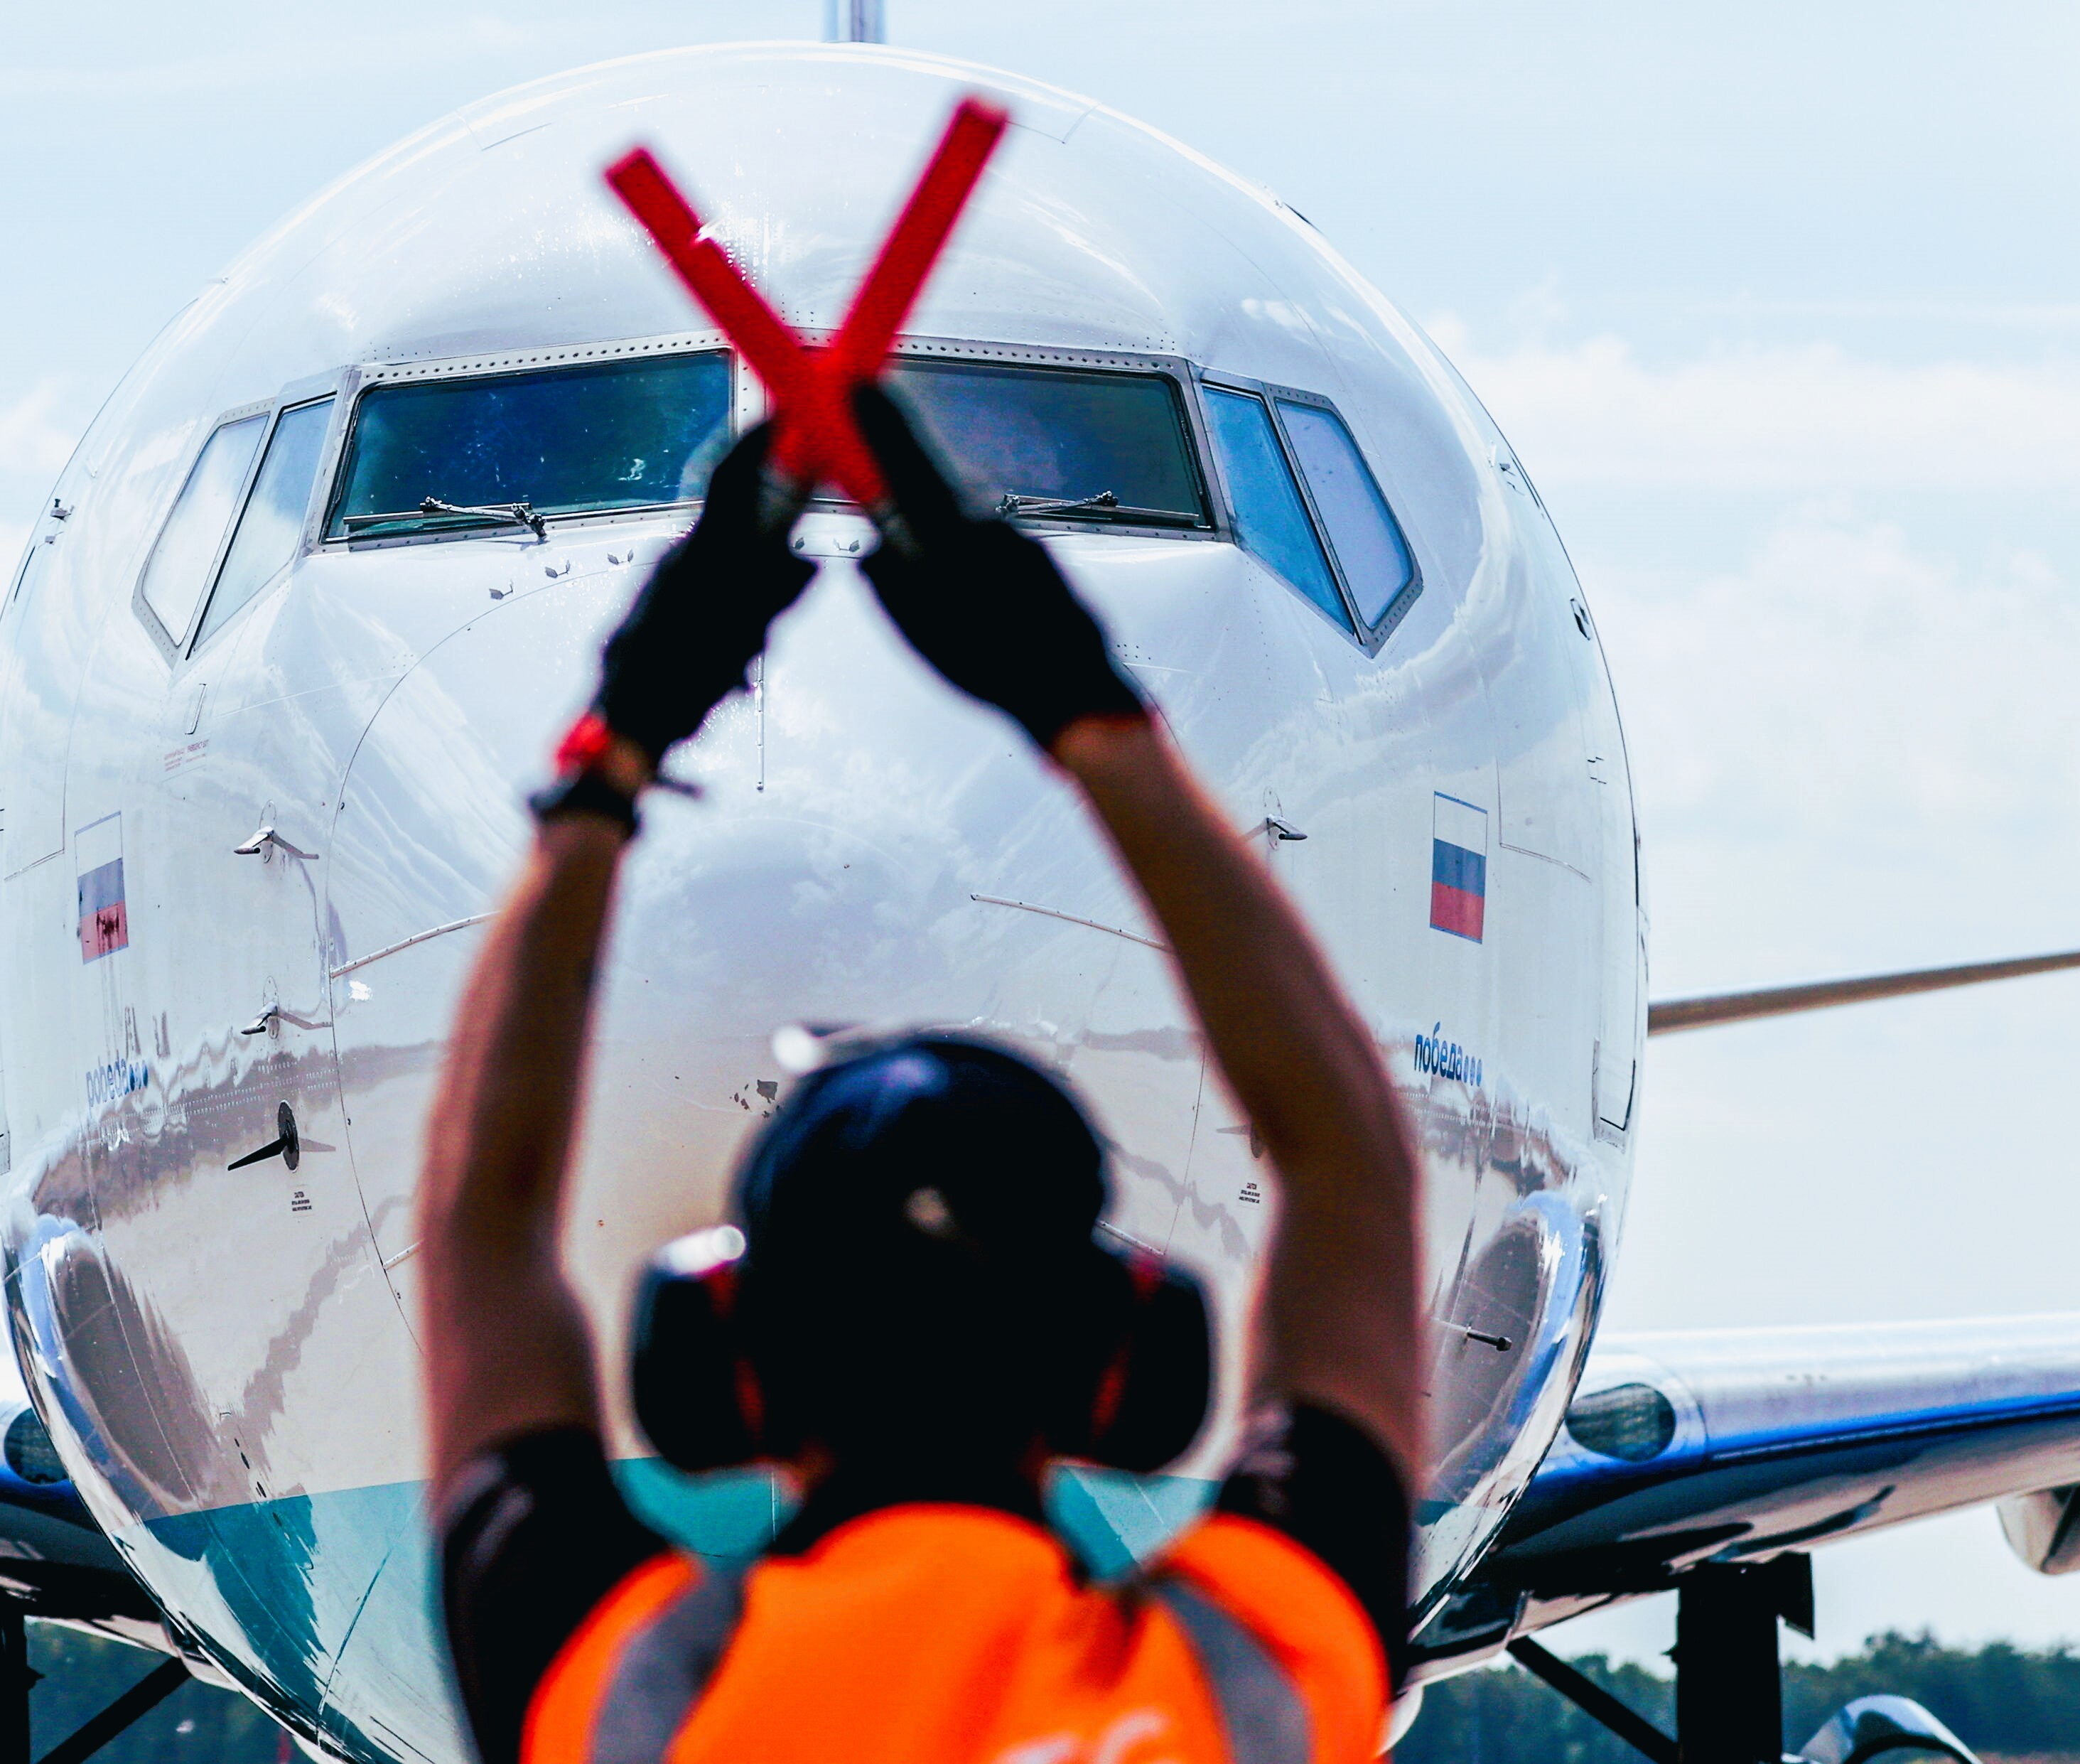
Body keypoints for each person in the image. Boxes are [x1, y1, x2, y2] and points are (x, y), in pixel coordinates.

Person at [416, 386, 1424, 1764]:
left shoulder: (633, 1699)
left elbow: (478, 1222)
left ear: (721, 1356)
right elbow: (1351, 1163)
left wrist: (615, 748)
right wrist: (1082, 702)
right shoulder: (1233, 1688)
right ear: (1118, 1359)